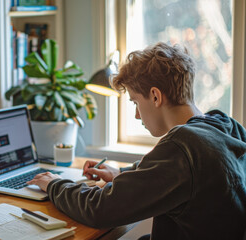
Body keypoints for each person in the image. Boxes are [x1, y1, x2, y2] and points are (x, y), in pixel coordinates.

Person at [27, 42, 246, 240]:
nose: (137, 115)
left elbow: (100, 209)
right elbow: (175, 175)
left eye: (135, 102)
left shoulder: (182, 145)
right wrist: (121, 174)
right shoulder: (224, 125)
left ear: (155, 96)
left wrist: (53, 184)